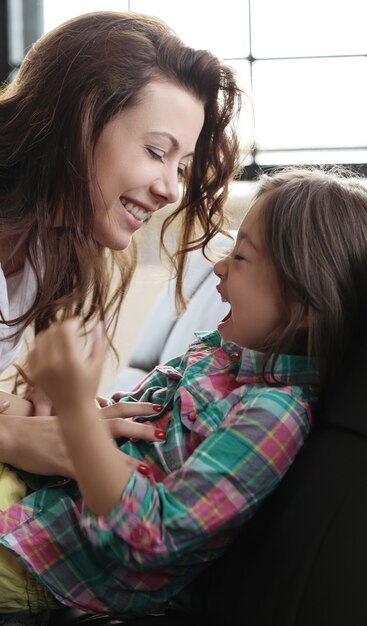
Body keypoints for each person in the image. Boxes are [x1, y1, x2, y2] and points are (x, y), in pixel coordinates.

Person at [1, 167, 367, 623]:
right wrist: (57, 409)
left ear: (303, 306)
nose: (218, 267)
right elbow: (131, 428)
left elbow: (150, 537)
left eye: (240, 258)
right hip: (28, 498)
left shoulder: (273, 414)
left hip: (38, 563)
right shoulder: (217, 354)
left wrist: (78, 412)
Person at [0, 10, 241, 463]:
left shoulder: (44, 251)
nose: (171, 189)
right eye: (156, 151)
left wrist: (41, 415)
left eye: (182, 167)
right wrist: (18, 436)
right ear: (79, 120)